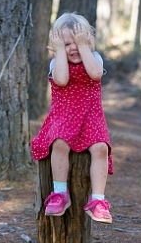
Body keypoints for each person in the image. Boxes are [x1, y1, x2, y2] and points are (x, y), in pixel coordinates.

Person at [30, 12, 113, 223]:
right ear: (56, 45)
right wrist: (59, 53)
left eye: (79, 41)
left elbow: (94, 74)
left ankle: (98, 201)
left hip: (90, 115)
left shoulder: (94, 58)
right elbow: (62, 80)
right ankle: (60, 193)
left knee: (100, 148)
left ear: (89, 41)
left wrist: (84, 47)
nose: (74, 47)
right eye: (67, 43)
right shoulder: (56, 63)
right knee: (59, 143)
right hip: (64, 116)